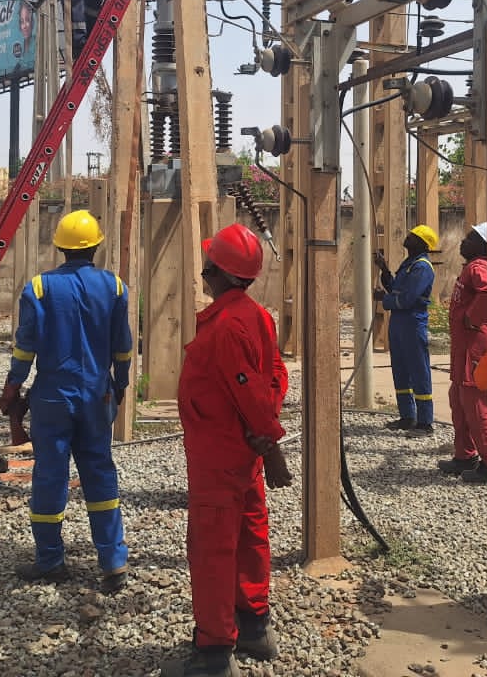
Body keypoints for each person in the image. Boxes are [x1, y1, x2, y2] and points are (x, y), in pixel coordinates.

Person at [178, 223, 292, 677]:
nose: (204, 271)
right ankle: (254, 626)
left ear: (216, 272)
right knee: (250, 536)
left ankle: (214, 652)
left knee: (212, 550)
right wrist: (259, 437)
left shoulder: (226, 327)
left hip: (219, 458)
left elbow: (251, 393)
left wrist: (269, 444)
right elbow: (275, 376)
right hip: (239, 455)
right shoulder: (256, 316)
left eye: (208, 265)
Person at [0, 209, 133, 592]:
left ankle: (50, 561)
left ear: (59, 246)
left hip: (53, 398)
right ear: (96, 246)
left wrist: (13, 385)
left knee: (50, 476)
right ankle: (113, 562)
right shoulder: (115, 288)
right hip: (96, 395)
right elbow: (123, 348)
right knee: (100, 473)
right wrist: (119, 385)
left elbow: (25, 346)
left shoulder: (39, 289)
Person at [439, 221, 487, 483]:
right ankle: (465, 455)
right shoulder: (471, 267)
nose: (463, 242)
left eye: (470, 238)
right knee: (458, 400)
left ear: (484, 245)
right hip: (463, 345)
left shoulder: (479, 266)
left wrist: (472, 318)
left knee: (474, 403)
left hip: (473, 344)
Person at [374, 224, 438, 437]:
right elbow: (396, 289)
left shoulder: (422, 267)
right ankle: (407, 416)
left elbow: (408, 298)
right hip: (400, 323)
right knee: (400, 368)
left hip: (413, 322)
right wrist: (384, 270)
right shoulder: (409, 264)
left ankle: (425, 422)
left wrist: (386, 300)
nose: (408, 237)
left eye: (413, 236)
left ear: (422, 244)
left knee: (418, 370)